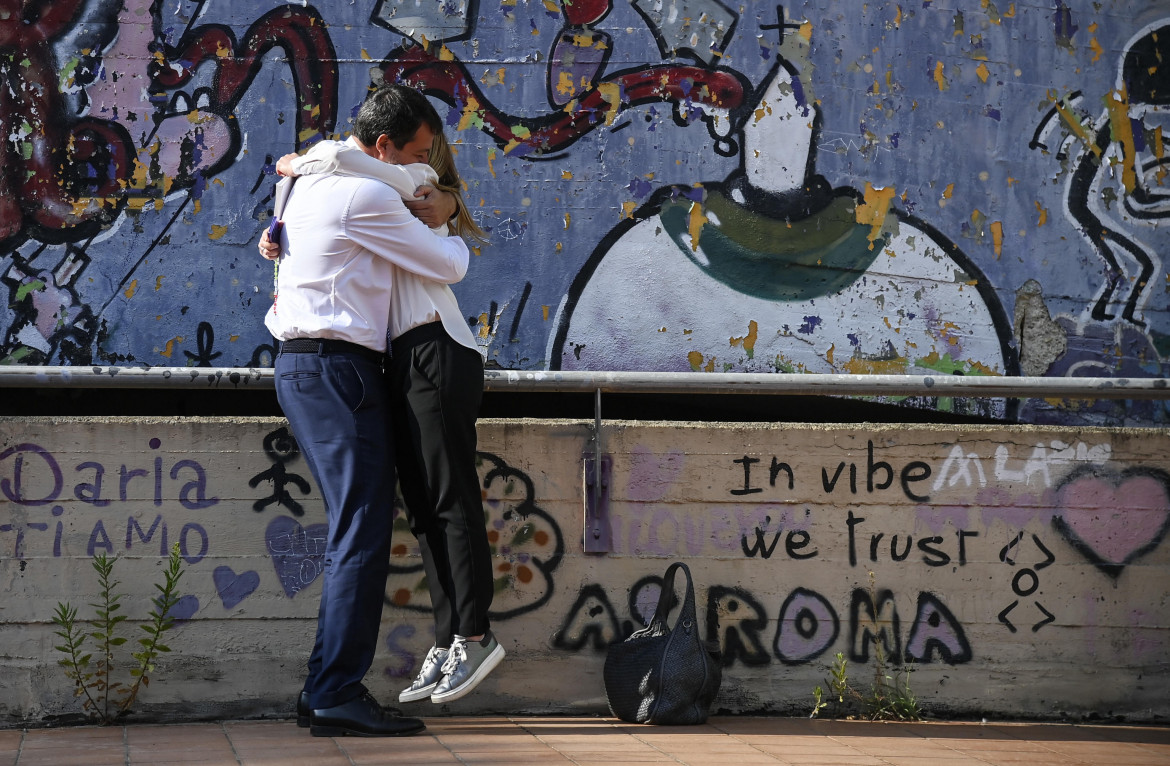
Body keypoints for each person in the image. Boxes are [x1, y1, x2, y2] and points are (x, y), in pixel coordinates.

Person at [260, 106, 504, 714]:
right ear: (386, 144)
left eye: (429, 158)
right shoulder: (360, 191)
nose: (420, 163)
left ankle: (467, 638)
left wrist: (443, 204)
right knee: (399, 515)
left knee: (435, 503)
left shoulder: (376, 189)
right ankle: (377, 669)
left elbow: (451, 260)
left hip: (419, 349)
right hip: (365, 363)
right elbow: (342, 165)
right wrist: (299, 175)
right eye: (415, 150)